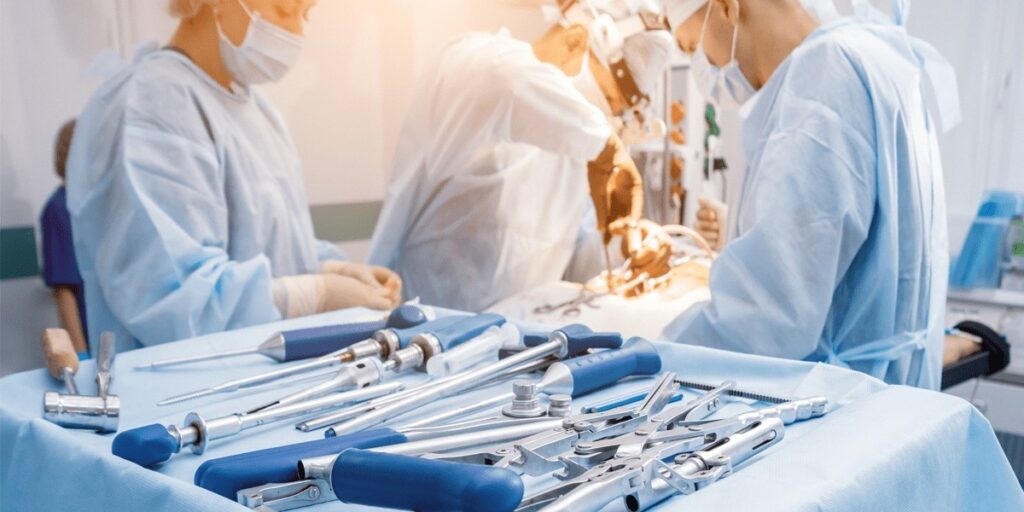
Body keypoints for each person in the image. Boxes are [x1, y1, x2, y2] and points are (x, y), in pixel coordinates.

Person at [66, 0, 400, 352]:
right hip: (180, 391)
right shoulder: (153, 102)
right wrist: (316, 294)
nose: (297, 32)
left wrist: (328, 269)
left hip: (262, 379)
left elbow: (265, 241)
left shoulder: (258, 113)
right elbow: (174, 301)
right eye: (284, 9)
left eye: (306, 15)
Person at [659, 0, 959, 388]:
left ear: (728, 9)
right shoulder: (874, 55)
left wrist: (649, 358)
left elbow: (766, 316)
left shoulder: (824, 76)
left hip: (843, 405)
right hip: (891, 399)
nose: (705, 67)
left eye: (690, 46)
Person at [367, 0, 675, 311]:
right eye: (609, 97)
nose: (606, 115)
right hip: (424, 329)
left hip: (515, 343)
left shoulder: (578, 141)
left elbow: (578, 254)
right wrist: (605, 146)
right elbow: (505, 80)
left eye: (616, 110)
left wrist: (628, 245)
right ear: (574, 41)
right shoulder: (473, 63)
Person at [40, 119, 90, 359]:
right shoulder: (59, 209)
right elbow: (63, 291)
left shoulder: (93, 205)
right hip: (90, 337)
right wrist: (80, 354)